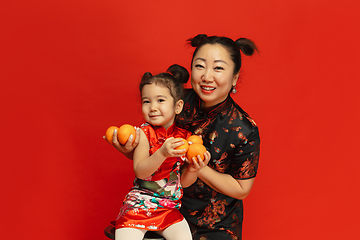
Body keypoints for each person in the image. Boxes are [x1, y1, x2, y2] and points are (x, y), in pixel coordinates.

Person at [109, 34, 260, 240]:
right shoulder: (174, 101)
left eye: (218, 68)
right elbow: (151, 148)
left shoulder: (243, 128)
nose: (207, 76)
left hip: (215, 223)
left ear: (234, 77)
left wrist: (196, 166)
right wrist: (129, 150)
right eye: (200, 66)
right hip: (162, 207)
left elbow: (241, 189)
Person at [111, 64, 211, 240]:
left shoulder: (185, 138)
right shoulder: (144, 133)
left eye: (160, 100)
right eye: (146, 101)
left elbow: (184, 183)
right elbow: (141, 171)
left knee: (184, 237)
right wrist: (162, 153)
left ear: (178, 106)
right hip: (140, 205)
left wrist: (195, 168)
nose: (153, 107)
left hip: (168, 208)